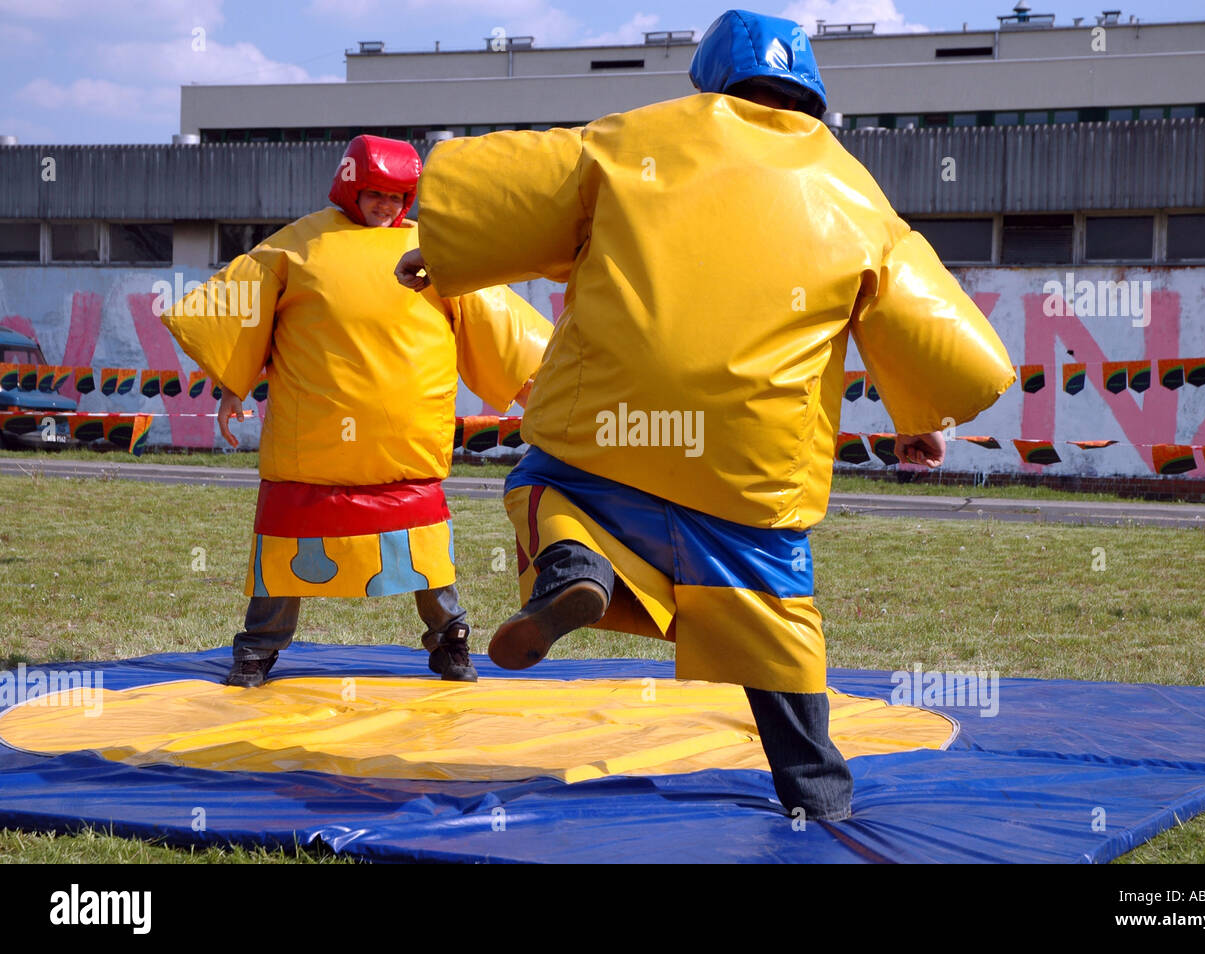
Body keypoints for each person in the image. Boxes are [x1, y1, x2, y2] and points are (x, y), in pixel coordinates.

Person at [396, 10, 1014, 820]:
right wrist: (921, 415)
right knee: (773, 613)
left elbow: (518, 200)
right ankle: (816, 790)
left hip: (612, 427)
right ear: (813, 93)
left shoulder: (627, 140)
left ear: (708, 77)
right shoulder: (851, 187)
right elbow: (917, 314)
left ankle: (575, 566)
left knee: (545, 483)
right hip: (751, 454)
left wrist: (439, 256)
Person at [163, 134, 552, 688]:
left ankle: (450, 640)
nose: (385, 206)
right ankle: (257, 648)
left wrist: (540, 389)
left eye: (397, 197)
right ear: (349, 186)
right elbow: (243, 315)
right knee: (284, 549)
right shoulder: (300, 245)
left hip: (403, 447)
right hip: (311, 450)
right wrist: (232, 383)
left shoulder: (434, 250)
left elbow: (495, 322)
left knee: (425, 553)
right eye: (374, 194)